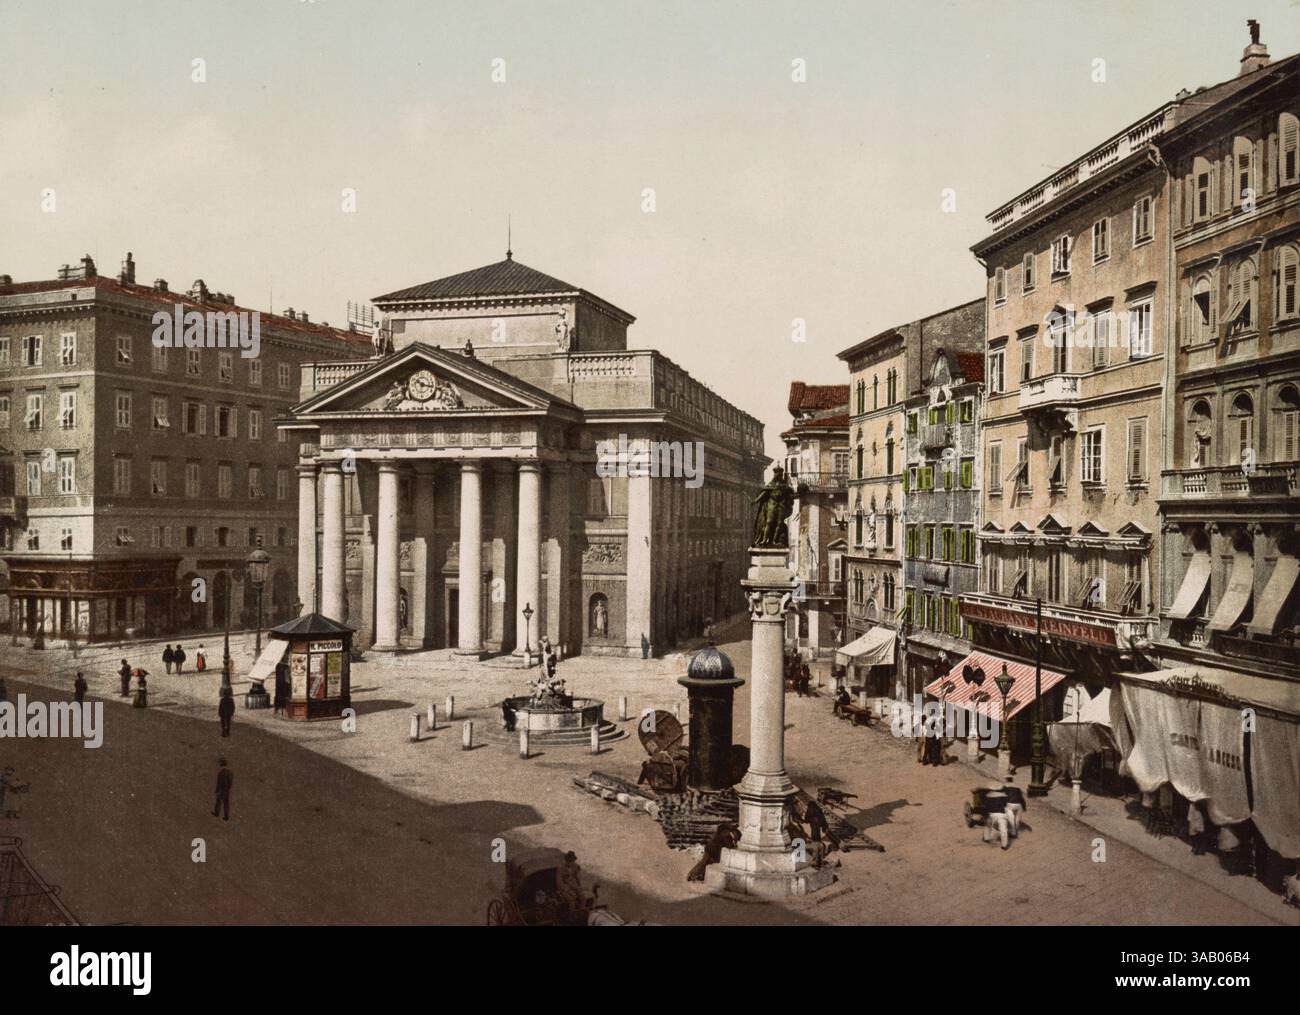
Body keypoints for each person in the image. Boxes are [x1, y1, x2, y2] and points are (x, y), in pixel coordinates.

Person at [555, 851, 585, 925]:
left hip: (574, 886)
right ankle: (571, 917)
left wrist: (579, 887)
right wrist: (567, 890)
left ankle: (581, 914)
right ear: (566, 860)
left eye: (573, 861)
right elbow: (559, 883)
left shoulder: (575, 866)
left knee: (583, 897)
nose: (571, 863)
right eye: (570, 861)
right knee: (572, 899)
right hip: (564, 888)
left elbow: (577, 877)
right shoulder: (560, 868)